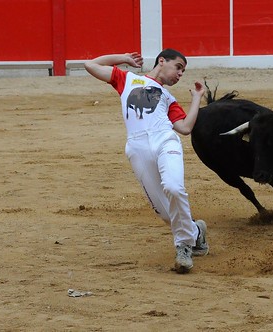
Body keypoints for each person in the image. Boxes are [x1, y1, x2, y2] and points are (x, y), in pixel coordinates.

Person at [84, 49, 209, 274]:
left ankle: (183, 246)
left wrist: (197, 98)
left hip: (165, 140)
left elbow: (184, 128)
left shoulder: (168, 97)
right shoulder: (128, 79)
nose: (180, 74)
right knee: (164, 213)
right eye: (178, 67)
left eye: (183, 71)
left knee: (173, 187)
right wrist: (123, 59)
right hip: (137, 147)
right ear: (162, 61)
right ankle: (196, 232)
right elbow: (90, 64)